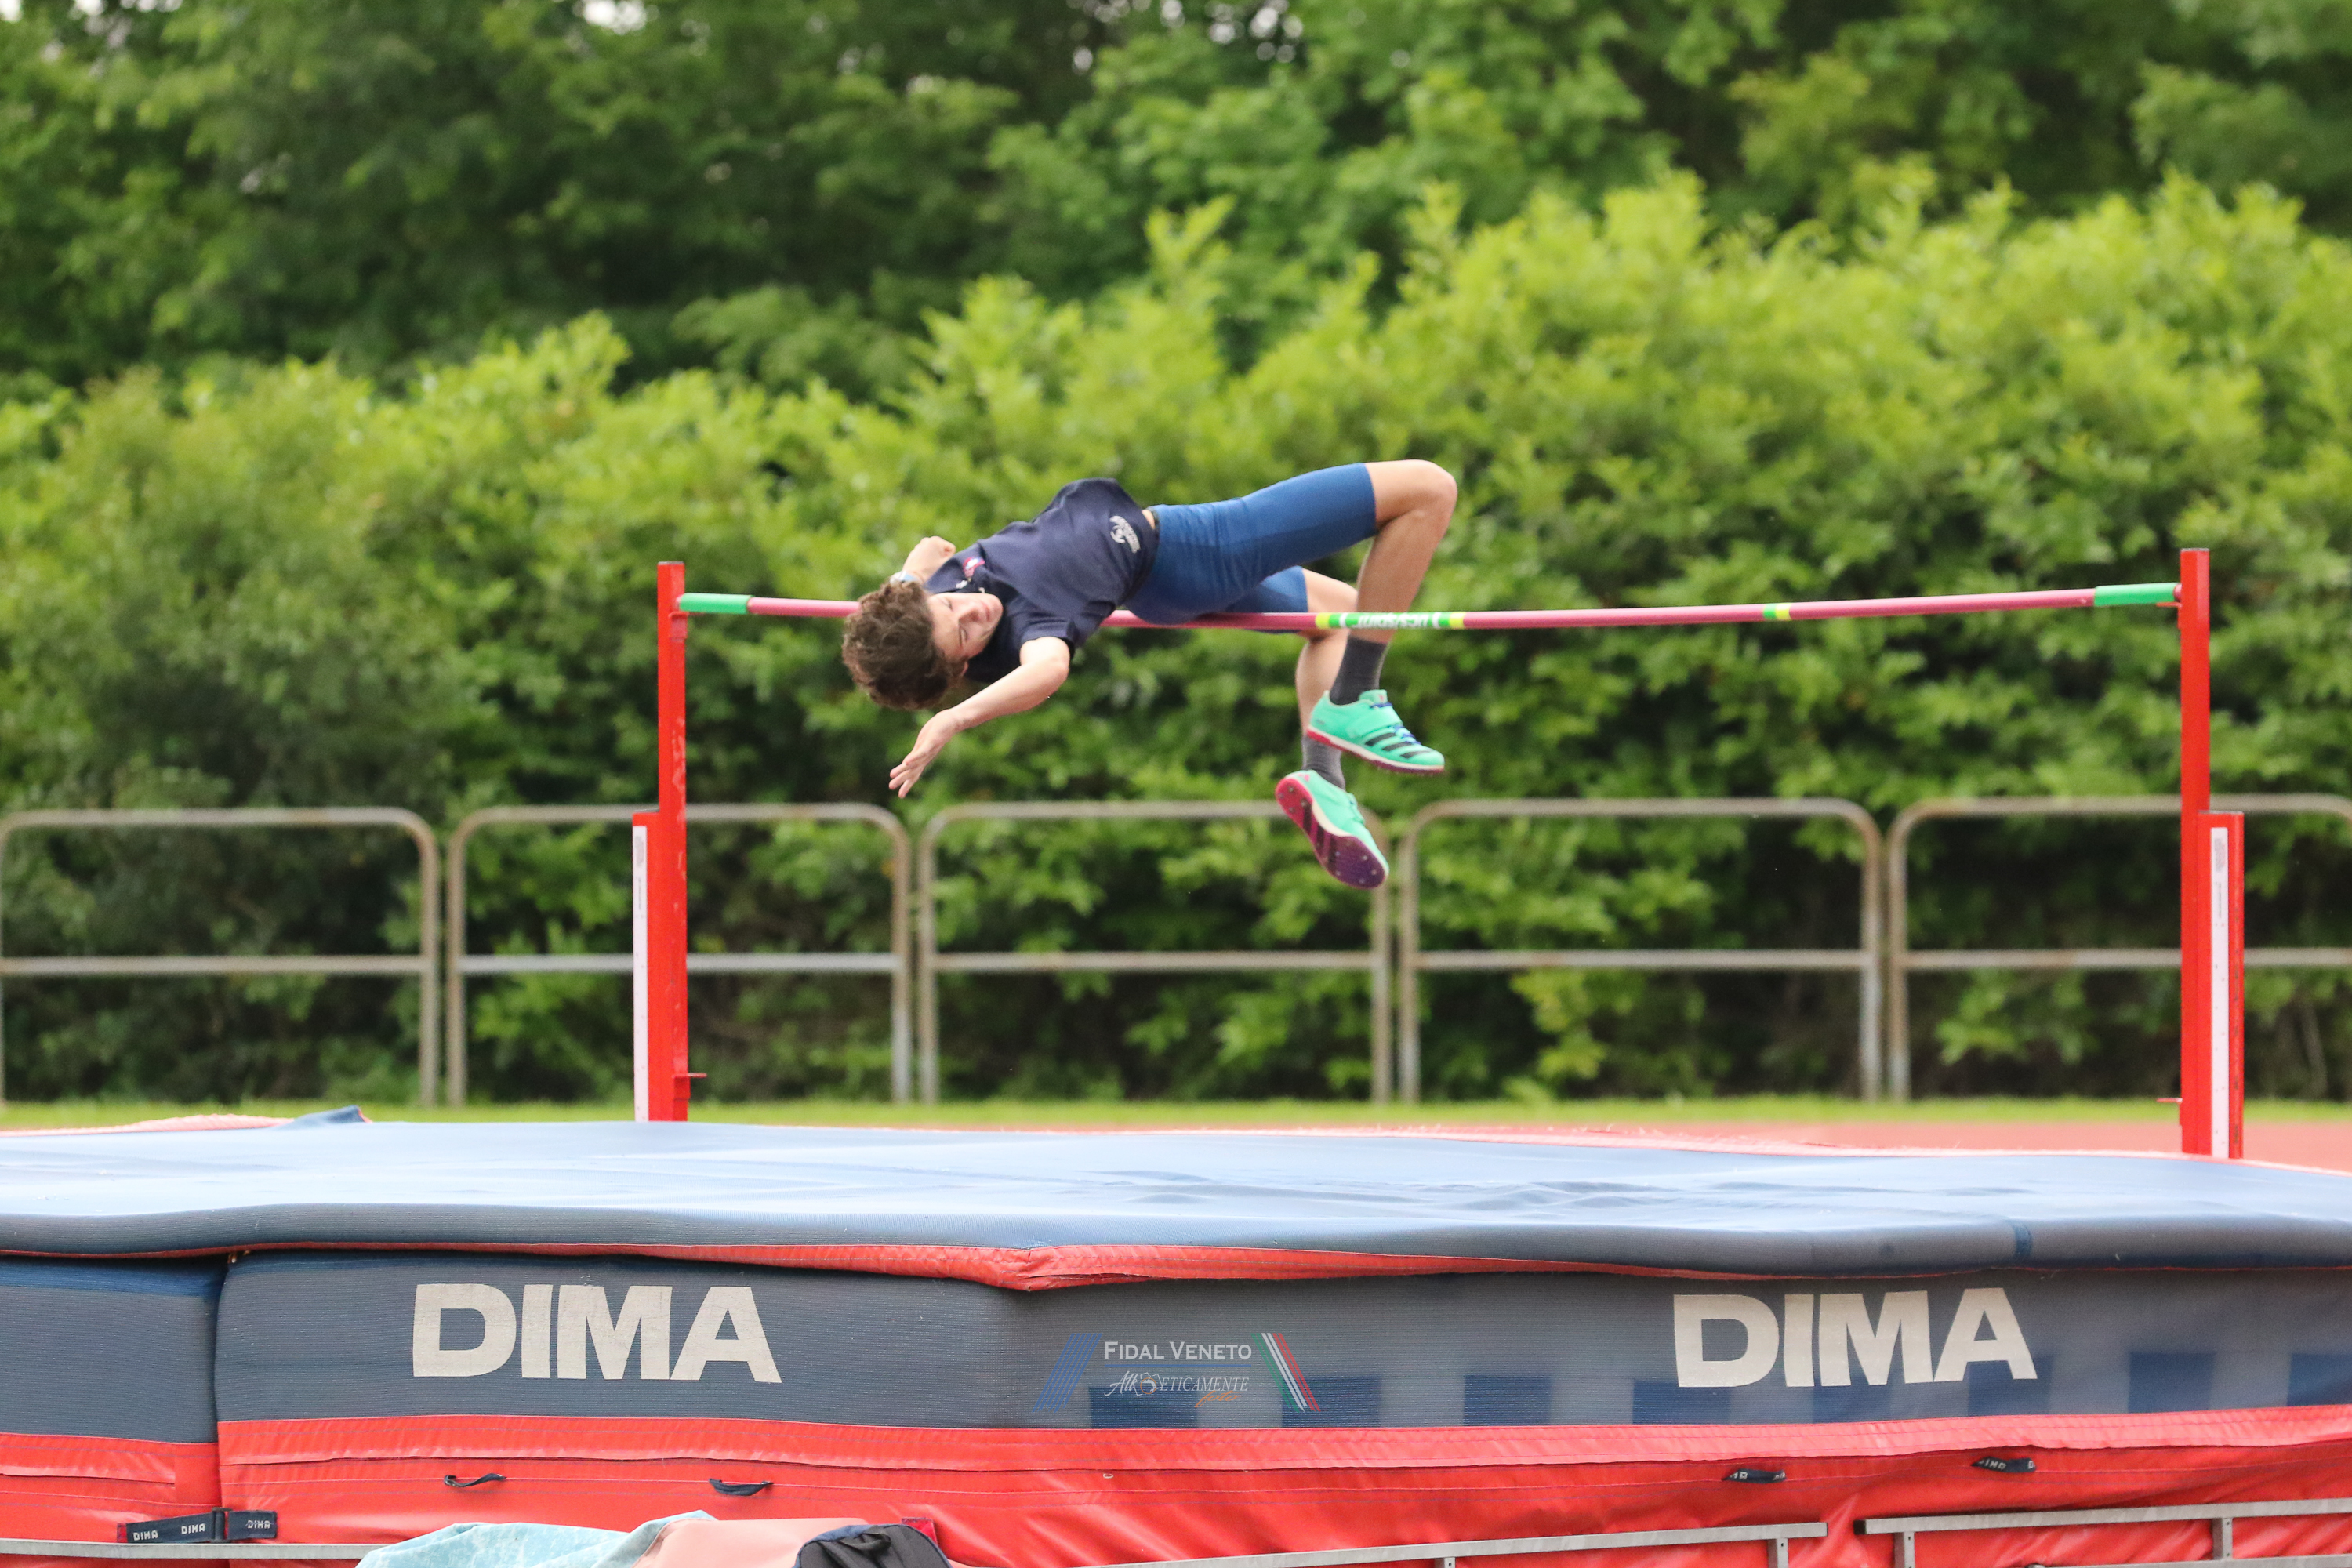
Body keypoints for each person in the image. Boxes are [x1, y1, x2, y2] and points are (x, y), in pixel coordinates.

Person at [840, 461, 1456, 889]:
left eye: (950, 605)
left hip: (1159, 582)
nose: (972, 611)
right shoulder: (1036, 622)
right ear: (961, 665)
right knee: (1428, 489)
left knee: (1339, 617)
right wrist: (955, 718)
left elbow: (930, 550)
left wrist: (906, 585)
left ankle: (1324, 779)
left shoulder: (930, 598)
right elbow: (1048, 671)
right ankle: (1355, 697)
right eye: (965, 634)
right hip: (1203, 549)